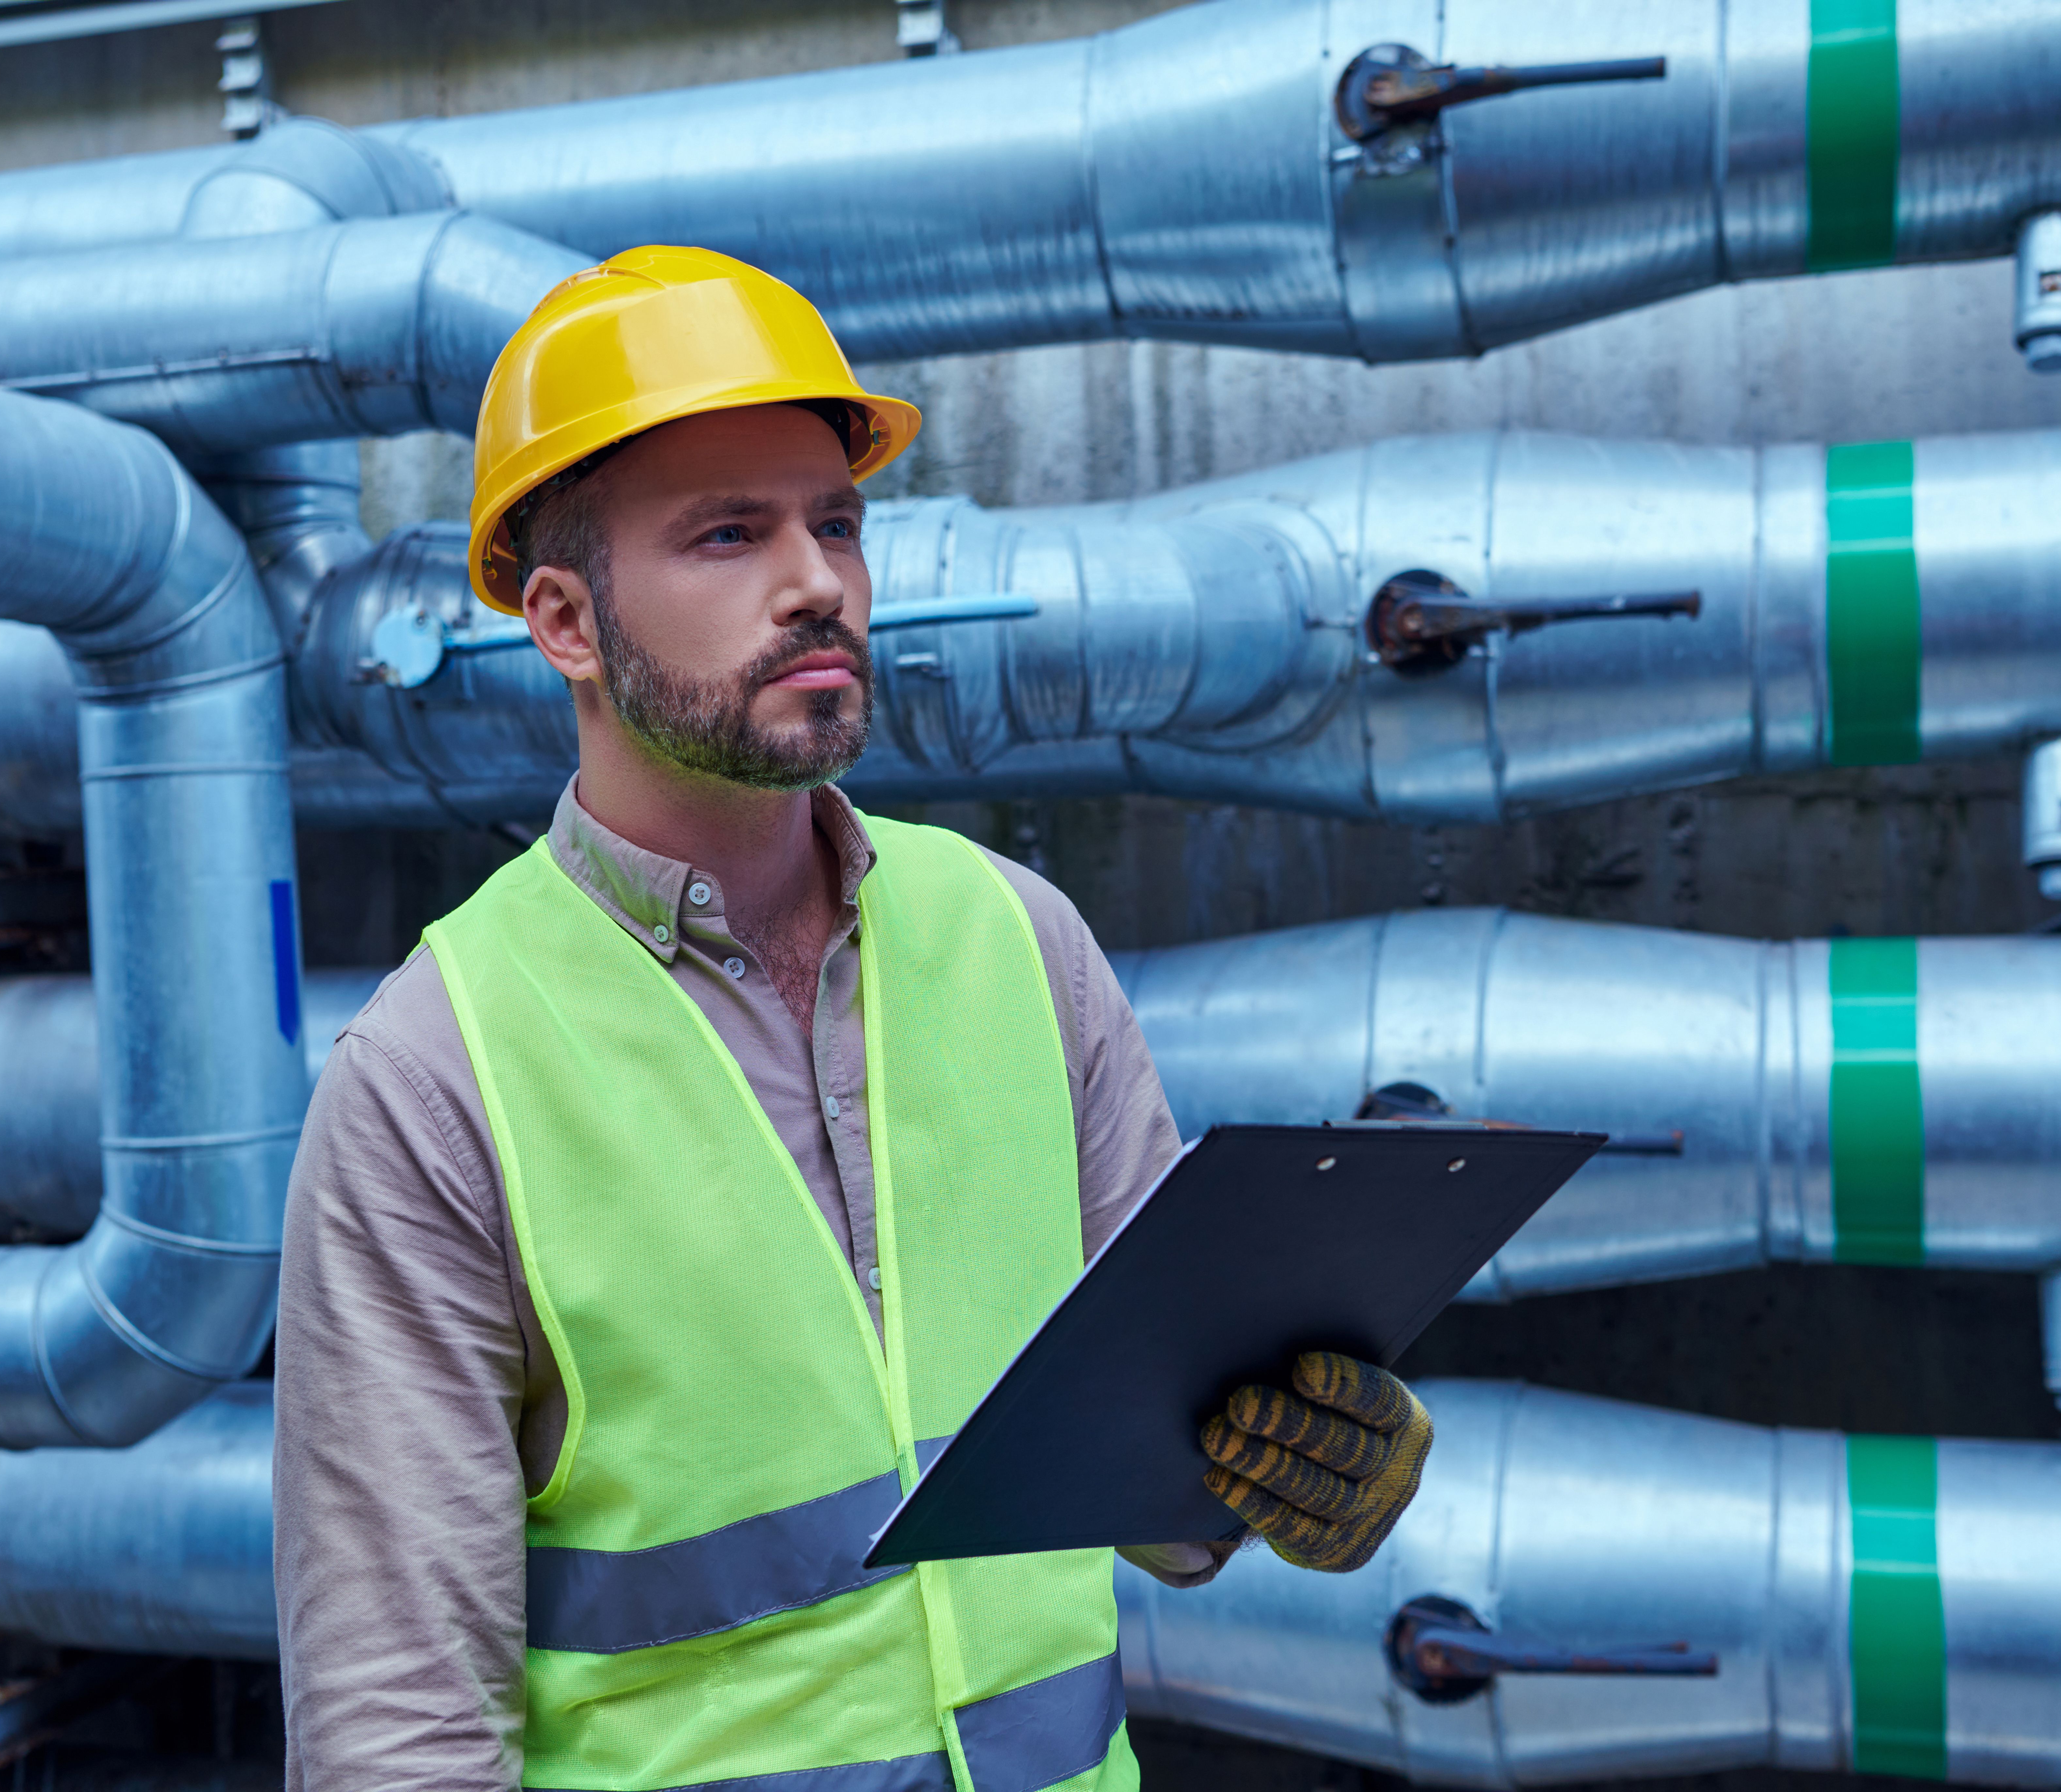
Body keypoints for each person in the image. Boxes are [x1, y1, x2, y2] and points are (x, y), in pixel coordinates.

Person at [274, 245, 1434, 1791]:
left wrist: (1305, 1460)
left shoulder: (1017, 940)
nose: (817, 579)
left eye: (835, 522)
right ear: (564, 621)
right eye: (729, 534)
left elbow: (1169, 1496)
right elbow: (396, 1735)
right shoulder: (437, 1075)